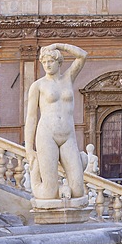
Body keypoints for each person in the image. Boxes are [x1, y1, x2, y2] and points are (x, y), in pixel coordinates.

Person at [24, 43, 87, 201]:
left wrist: (59, 45)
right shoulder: (37, 86)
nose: (47, 65)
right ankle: (36, 173)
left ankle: (73, 172)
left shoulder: (68, 78)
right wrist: (29, 149)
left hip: (68, 136)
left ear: (59, 62)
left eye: (50, 61)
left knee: (78, 191)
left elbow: (82, 55)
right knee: (48, 194)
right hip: (47, 135)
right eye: (44, 62)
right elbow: (31, 117)